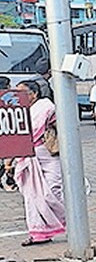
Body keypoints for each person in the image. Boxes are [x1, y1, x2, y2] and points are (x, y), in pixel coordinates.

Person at [13, 81, 65, 246]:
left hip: (48, 155)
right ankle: (39, 234)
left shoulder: (46, 107)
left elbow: (62, 128)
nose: (19, 97)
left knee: (52, 193)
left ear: (34, 93)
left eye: (23, 93)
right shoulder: (18, 112)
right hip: (28, 158)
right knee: (32, 196)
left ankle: (71, 220)